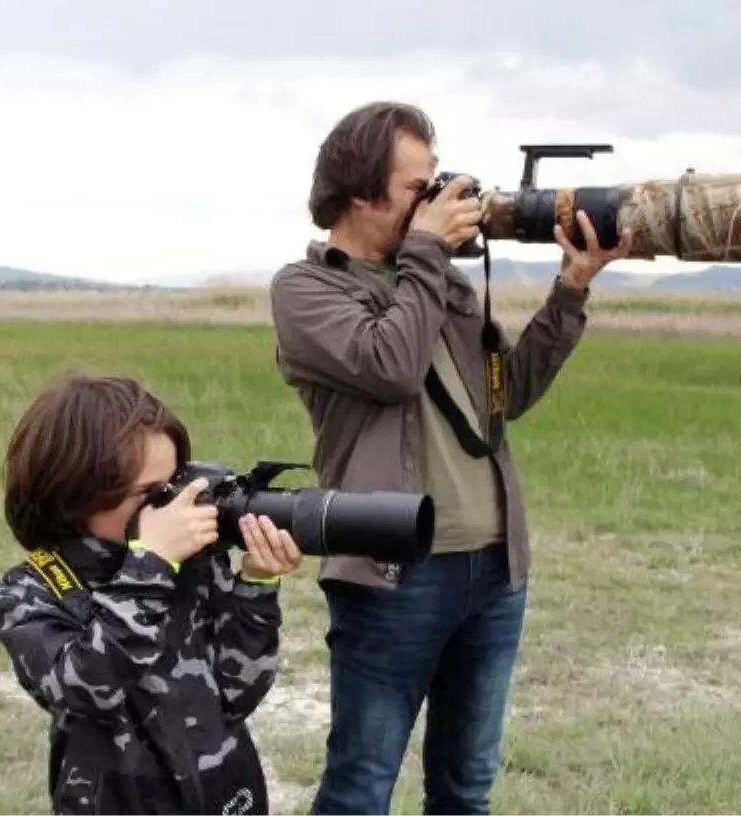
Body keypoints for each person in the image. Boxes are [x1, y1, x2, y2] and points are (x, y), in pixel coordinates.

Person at [268, 101, 631, 815]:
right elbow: (392, 365)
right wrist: (428, 255)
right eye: (417, 189)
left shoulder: (440, 282)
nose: (436, 202)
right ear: (361, 193)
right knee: (360, 789)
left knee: (467, 791)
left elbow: (508, 395)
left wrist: (573, 288)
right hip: (391, 575)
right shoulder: (307, 289)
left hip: (495, 570)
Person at [0, 373, 303, 815]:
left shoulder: (192, 563)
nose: (169, 505)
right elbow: (86, 689)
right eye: (149, 493)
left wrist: (256, 584)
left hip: (226, 793)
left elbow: (238, 693)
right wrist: (150, 565)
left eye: (173, 484)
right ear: (74, 493)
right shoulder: (30, 592)